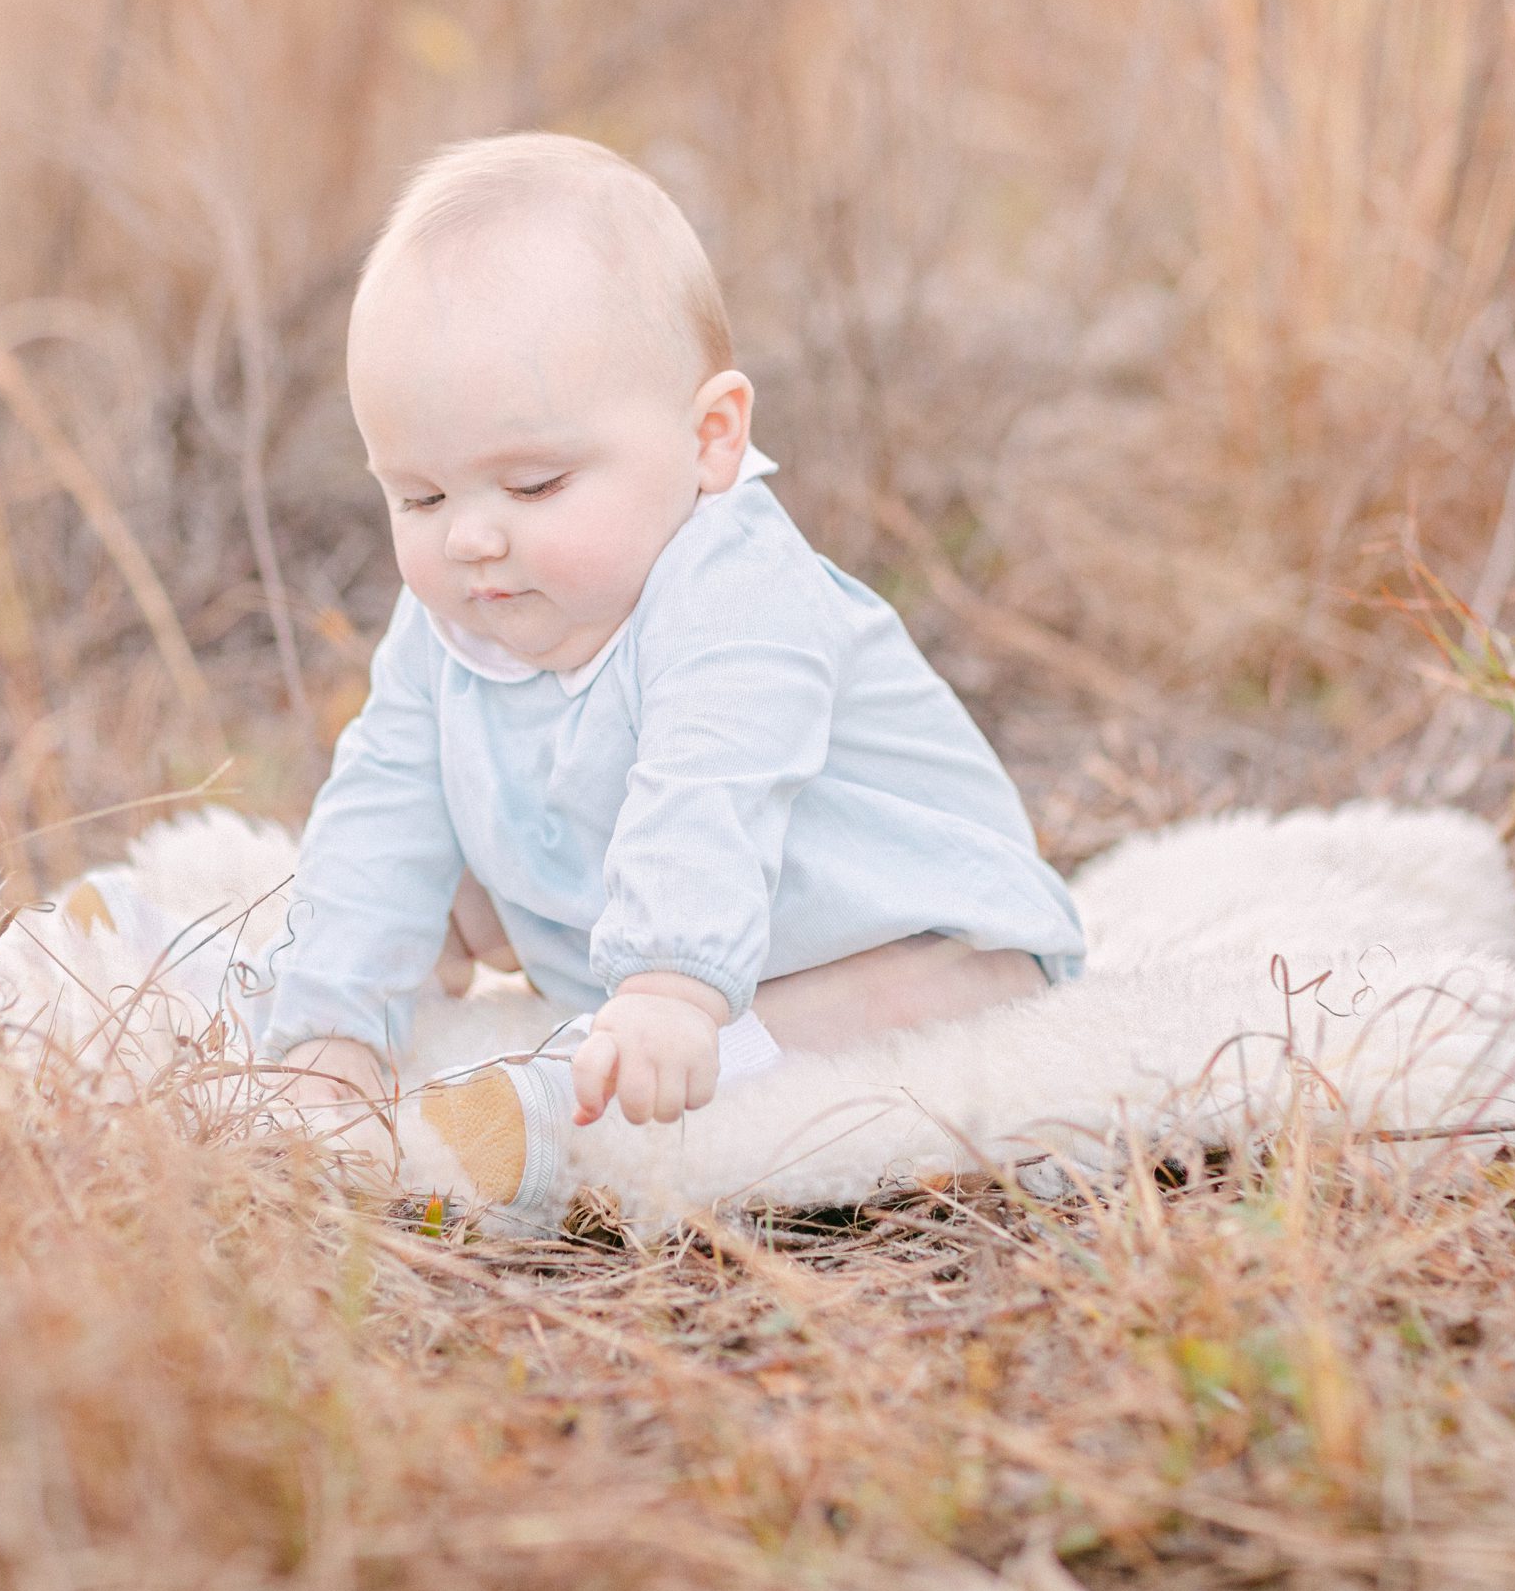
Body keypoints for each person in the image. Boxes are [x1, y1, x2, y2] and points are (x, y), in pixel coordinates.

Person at [255, 134, 1079, 1208]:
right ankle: (227, 959)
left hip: (898, 918)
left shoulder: (735, 588)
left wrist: (665, 989)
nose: (468, 539)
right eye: (418, 496)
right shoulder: (458, 614)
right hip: (608, 903)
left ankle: (577, 1099)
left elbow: (709, 786)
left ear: (709, 439)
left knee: (951, 990)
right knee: (402, 844)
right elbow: (379, 801)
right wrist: (327, 1032)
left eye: (534, 483)